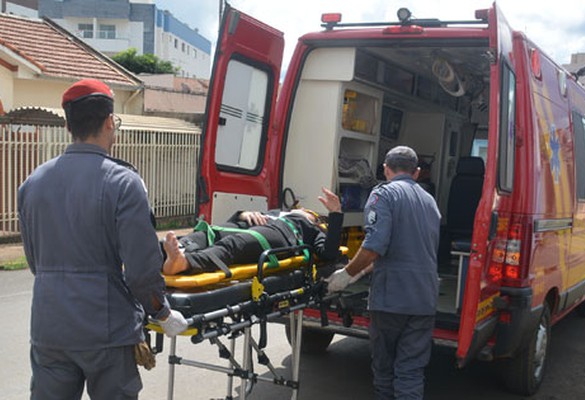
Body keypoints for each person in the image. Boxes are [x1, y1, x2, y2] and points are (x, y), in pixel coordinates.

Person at [18, 79, 188, 400]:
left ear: (69, 125)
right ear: (110, 122)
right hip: (105, 330)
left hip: (49, 327)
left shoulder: (32, 183)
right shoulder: (123, 182)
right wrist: (161, 312)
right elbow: (140, 269)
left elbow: (35, 262)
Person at [326, 145, 441, 400]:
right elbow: (408, 250)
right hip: (423, 299)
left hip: (392, 301)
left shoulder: (383, 196)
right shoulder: (430, 201)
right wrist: (361, 272)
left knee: (385, 370)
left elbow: (375, 246)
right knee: (411, 370)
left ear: (386, 169)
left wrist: (346, 275)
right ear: (418, 172)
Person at [162, 187, 343, 275]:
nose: (302, 209)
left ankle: (185, 262)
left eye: (306, 211)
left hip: (279, 235)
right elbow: (236, 219)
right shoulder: (277, 213)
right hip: (252, 224)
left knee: (234, 244)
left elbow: (328, 252)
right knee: (209, 233)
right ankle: (164, 252)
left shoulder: (311, 228)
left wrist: (335, 215)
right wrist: (243, 214)